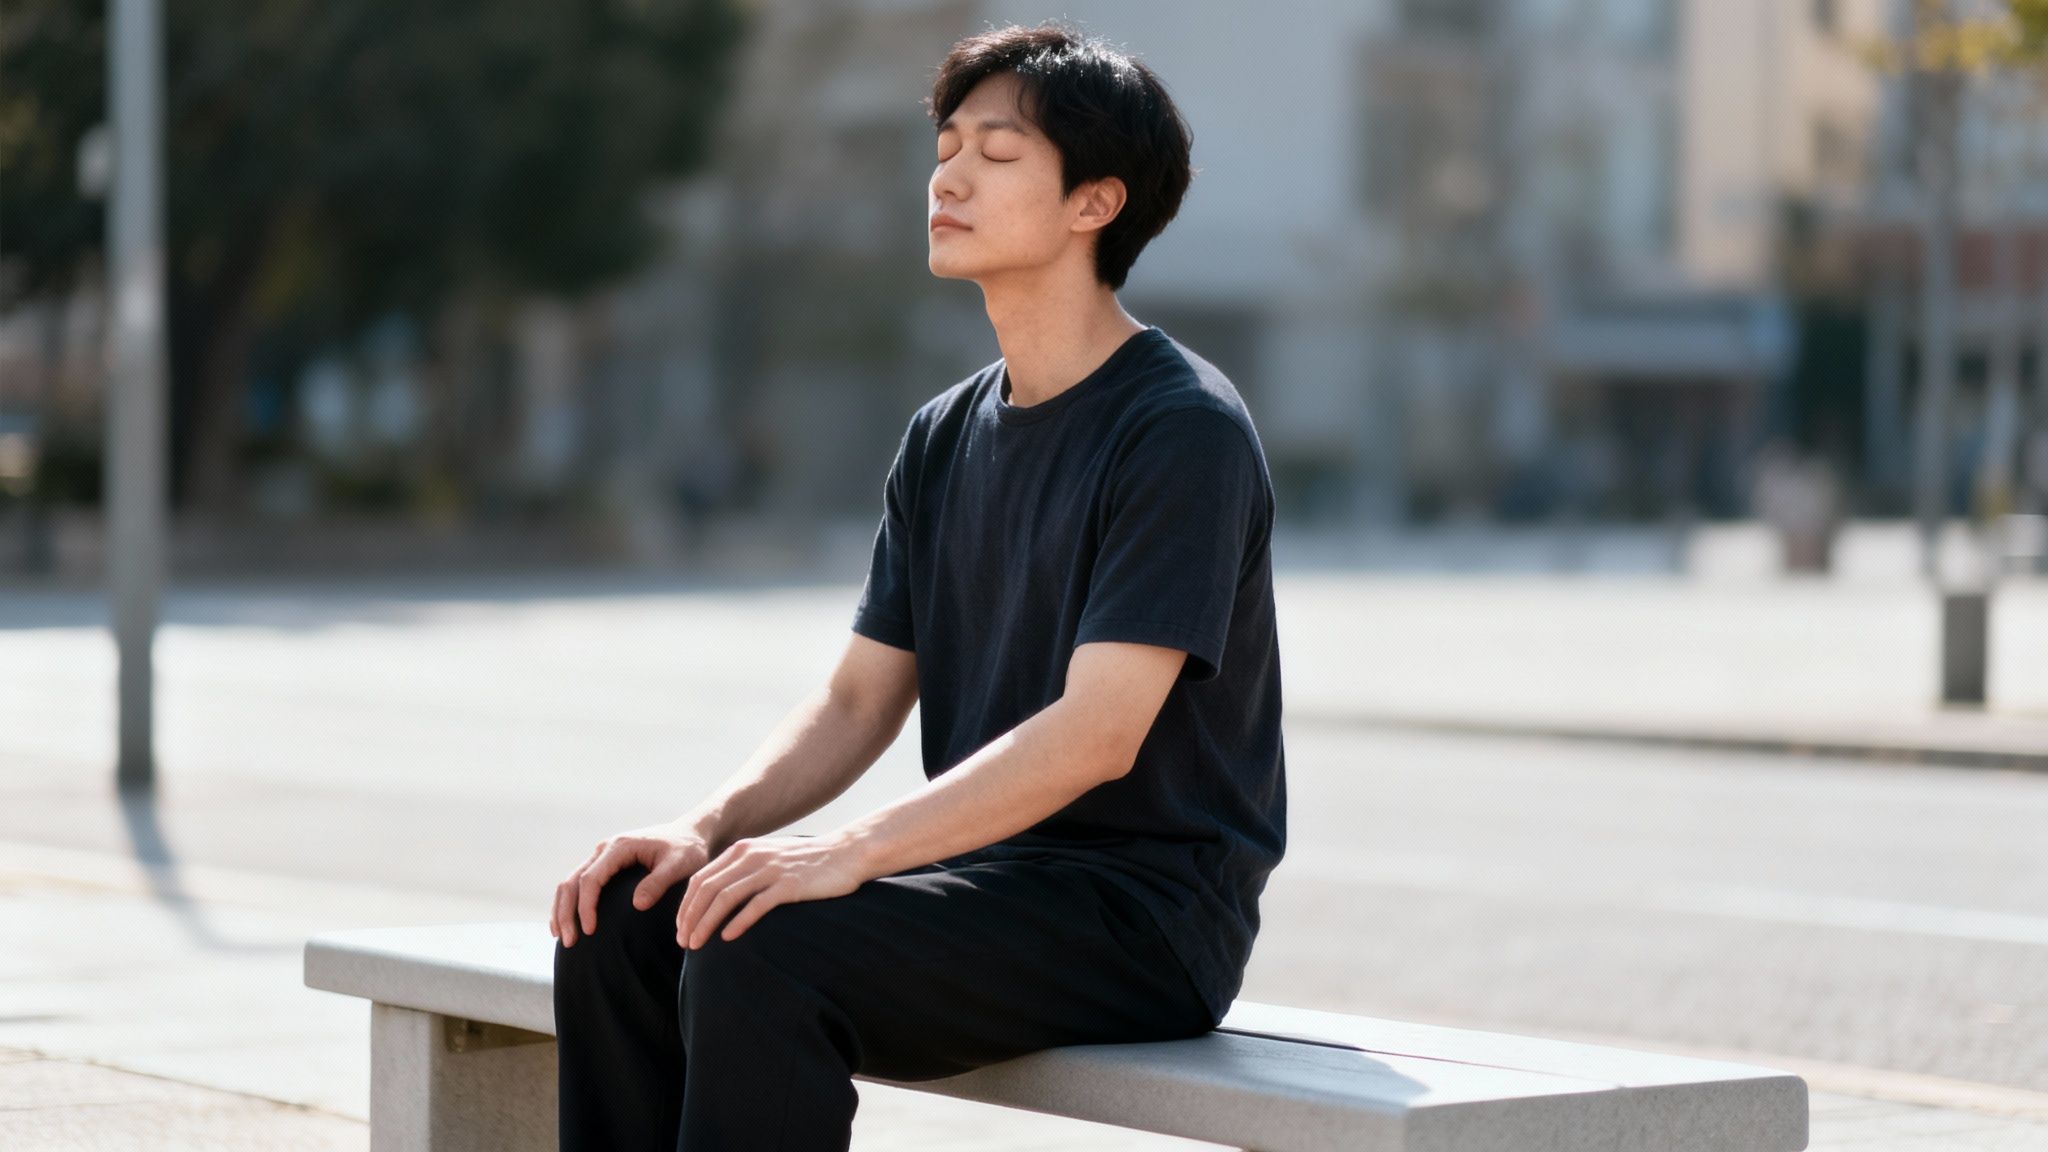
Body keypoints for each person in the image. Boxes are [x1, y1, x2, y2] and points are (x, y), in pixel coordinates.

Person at [548, 20, 1286, 1150]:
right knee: (625, 921)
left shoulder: (1178, 427)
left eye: (995, 156)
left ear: (1094, 201)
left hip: (1142, 916)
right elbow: (853, 703)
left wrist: (851, 851)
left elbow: (1097, 735)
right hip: (986, 883)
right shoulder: (944, 433)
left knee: (762, 949)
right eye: (944, 148)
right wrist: (699, 830)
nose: (947, 177)